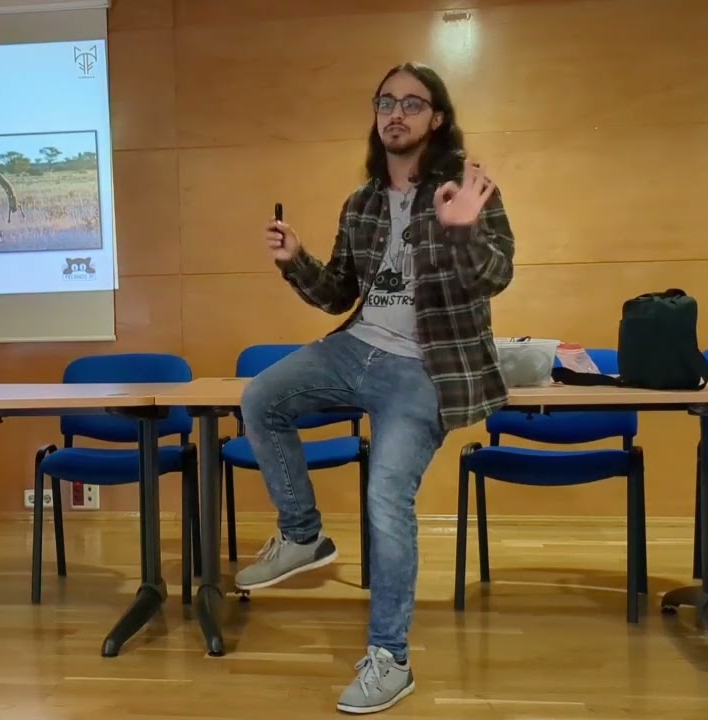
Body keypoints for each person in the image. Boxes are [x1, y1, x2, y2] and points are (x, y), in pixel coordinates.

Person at [233, 62, 516, 714]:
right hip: (356, 348)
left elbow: (495, 278)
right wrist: (295, 260)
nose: (397, 113)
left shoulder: (466, 189)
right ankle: (303, 534)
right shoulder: (361, 202)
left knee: (387, 495)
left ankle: (390, 659)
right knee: (260, 398)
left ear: (435, 118)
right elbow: (338, 291)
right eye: (386, 102)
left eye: (412, 104)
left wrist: (466, 229)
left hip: (424, 365)